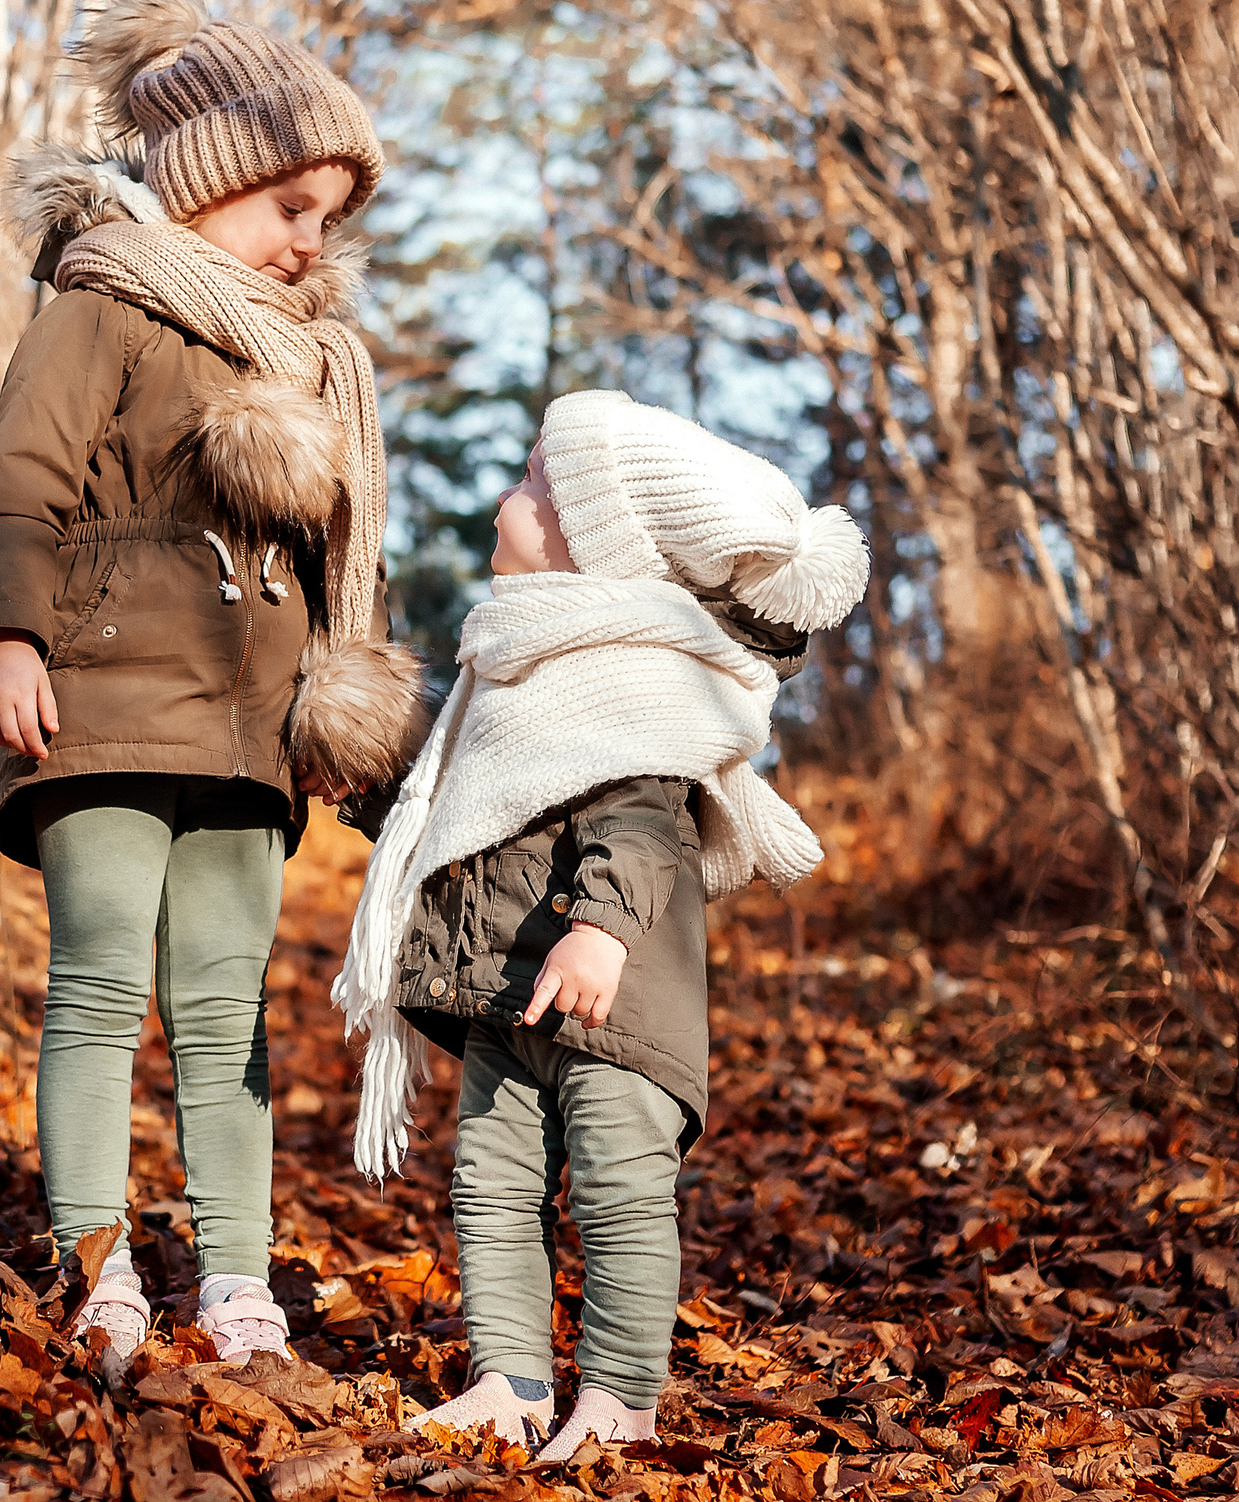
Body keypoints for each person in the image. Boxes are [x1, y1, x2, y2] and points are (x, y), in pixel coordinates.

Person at [0, 0, 423, 1371]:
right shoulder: (101, 308)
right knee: (99, 984)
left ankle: (233, 1278)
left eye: (331, 216)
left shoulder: (317, 365)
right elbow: (10, 494)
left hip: (247, 735)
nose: (309, 241)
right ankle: (98, 1264)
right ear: (207, 184)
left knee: (226, 1014)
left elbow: (340, 558)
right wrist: (4, 638)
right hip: (93, 708)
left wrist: (337, 703)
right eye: (289, 204)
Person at [331, 390, 869, 1456]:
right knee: (490, 1178)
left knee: (620, 1188)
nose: (507, 493)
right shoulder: (514, 657)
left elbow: (642, 817)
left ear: (594, 538)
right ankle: (512, 1377)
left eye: (535, 483)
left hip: (614, 996)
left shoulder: (629, 675)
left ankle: (620, 1395)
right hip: (505, 984)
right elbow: (462, 810)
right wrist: (358, 786)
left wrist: (601, 928)